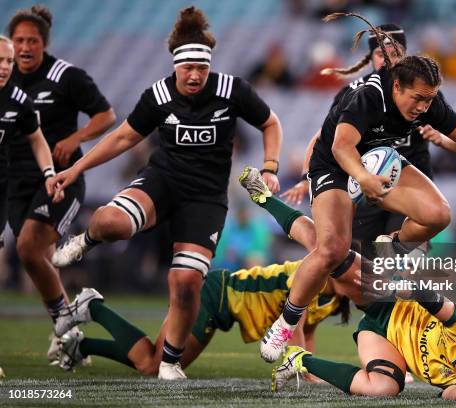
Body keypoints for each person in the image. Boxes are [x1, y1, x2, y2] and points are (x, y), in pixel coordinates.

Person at [260, 13, 456, 363]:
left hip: (381, 162)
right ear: (397, 86)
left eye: (429, 101)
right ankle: (285, 322)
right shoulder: (370, 95)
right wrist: (363, 179)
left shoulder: (426, 99)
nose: (424, 108)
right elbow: (340, 146)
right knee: (331, 250)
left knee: (439, 214)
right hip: (336, 166)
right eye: (418, 99)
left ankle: (393, 248)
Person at [50, 7, 283, 379]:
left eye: (201, 68)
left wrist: (270, 167)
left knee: (186, 281)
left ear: (210, 67)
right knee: (111, 221)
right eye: (187, 67)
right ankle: (87, 240)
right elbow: (125, 136)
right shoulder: (158, 95)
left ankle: (170, 362)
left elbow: (270, 122)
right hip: (163, 182)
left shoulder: (232, 90)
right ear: (175, 65)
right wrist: (77, 168)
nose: (194, 75)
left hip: (205, 198)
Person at [53, 167, 353, 377]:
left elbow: (308, 328)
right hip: (216, 296)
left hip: (224, 311)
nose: (353, 281)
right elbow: (295, 321)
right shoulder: (314, 270)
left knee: (155, 360)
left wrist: (310, 369)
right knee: (152, 364)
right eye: (351, 275)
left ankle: (81, 343)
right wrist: (302, 364)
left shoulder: (332, 295)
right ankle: (94, 308)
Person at [281, 23, 456, 251]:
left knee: (403, 263)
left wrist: (442, 140)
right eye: (380, 54)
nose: (386, 60)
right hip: (367, 187)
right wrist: (305, 177)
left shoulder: (422, 92)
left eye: (395, 54)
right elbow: (325, 138)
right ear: (370, 57)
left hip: (409, 188)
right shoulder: (357, 93)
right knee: (362, 266)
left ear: (405, 55)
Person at [6, 5, 116, 361]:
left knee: (27, 247)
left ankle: (64, 323)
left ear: (44, 43)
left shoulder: (66, 76)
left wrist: (75, 138)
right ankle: (70, 329)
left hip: (60, 179)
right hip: (15, 182)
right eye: (19, 40)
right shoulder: (6, 79)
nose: (24, 47)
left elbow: (107, 114)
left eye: (32, 41)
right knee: (35, 256)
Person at [272, 282, 456, 402]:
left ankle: (298, 359)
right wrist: (408, 288)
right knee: (339, 264)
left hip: (383, 341)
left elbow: (447, 393)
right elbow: (434, 300)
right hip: (392, 304)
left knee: (384, 388)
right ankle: (295, 283)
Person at [0, 34, 56, 248]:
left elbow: (37, 139)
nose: (4, 67)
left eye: (9, 61)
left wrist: (49, 174)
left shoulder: (19, 101)